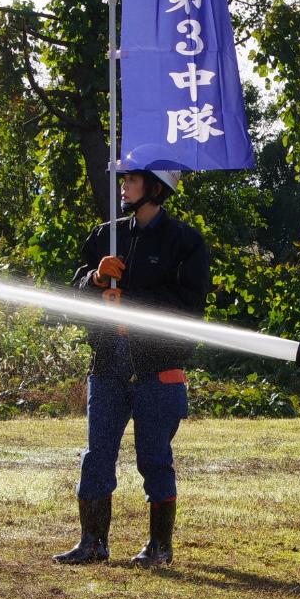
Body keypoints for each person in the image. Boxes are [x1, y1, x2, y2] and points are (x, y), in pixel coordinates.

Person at [52, 152, 211, 568]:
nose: (123, 185)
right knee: (96, 453)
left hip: (157, 365)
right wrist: (95, 279)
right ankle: (92, 542)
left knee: (153, 456)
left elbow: (190, 306)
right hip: (107, 362)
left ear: (156, 187)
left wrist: (134, 299)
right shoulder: (105, 234)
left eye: (132, 179)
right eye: (123, 179)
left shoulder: (186, 243)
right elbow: (75, 294)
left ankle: (159, 547)